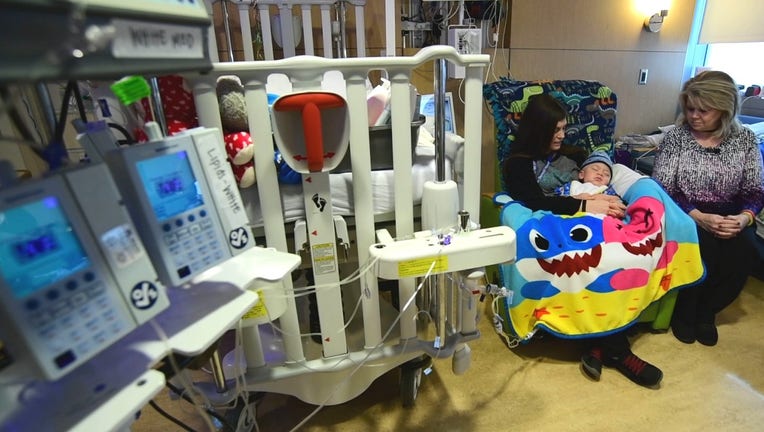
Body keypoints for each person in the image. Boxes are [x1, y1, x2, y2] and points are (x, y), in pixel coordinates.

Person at [502, 93, 662, 388]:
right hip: (556, 226)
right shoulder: (518, 163)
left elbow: (604, 175)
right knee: (585, 260)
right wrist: (584, 205)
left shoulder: (575, 155)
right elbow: (533, 201)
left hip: (595, 219)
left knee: (620, 254)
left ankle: (598, 347)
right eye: (556, 130)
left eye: (564, 128)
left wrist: (613, 198)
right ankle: (619, 352)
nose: (562, 135)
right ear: (538, 130)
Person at [651, 70, 764, 346]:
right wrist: (699, 216)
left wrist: (744, 218)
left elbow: (756, 189)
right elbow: (663, 187)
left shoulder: (745, 139)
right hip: (684, 212)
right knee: (703, 250)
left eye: (704, 110)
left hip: (731, 213)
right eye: (690, 108)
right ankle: (685, 312)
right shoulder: (677, 138)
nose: (694, 115)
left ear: (725, 110)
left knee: (746, 252)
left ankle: (707, 312)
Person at [554, 150, 621, 199]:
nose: (600, 173)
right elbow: (557, 200)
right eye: (595, 169)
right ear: (581, 174)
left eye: (606, 174)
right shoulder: (572, 186)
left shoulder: (607, 191)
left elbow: (618, 203)